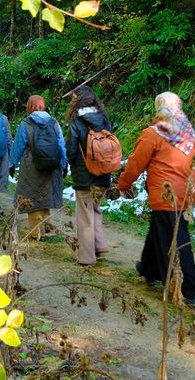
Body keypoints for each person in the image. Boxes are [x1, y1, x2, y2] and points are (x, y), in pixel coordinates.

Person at [118, 92, 195, 305]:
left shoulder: (153, 134)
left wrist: (123, 184)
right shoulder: (191, 135)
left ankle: (189, 289)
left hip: (166, 195)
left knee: (176, 240)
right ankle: (149, 267)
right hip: (185, 194)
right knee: (159, 228)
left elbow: (135, 163)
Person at [66, 85, 112, 266]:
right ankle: (99, 245)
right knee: (95, 209)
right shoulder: (105, 119)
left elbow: (71, 149)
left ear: (79, 100)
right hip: (103, 174)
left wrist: (72, 166)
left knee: (84, 215)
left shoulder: (77, 122)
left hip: (84, 175)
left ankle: (86, 257)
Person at [10, 95, 67, 240]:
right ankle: (48, 228)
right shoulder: (54, 122)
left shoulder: (26, 124)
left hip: (32, 165)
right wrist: (64, 163)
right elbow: (61, 143)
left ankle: (36, 233)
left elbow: (18, 146)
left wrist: (11, 164)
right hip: (52, 165)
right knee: (46, 195)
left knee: (31, 196)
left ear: (29, 106)